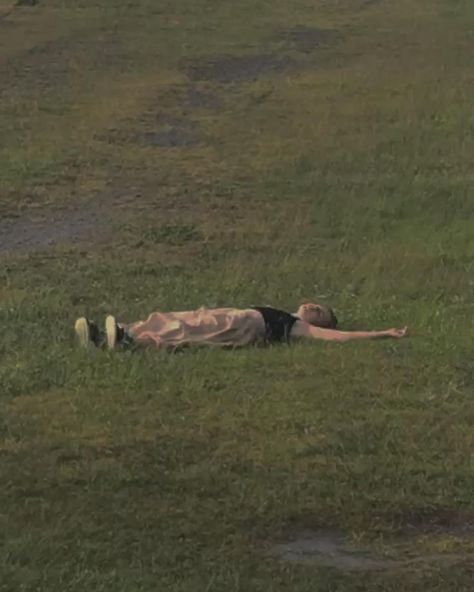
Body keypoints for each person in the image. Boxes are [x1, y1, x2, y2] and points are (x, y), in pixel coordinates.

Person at [74, 302, 408, 351]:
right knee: (180, 319)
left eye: (318, 311)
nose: (311, 306)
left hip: (240, 326)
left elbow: (341, 337)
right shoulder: (287, 315)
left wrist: (384, 333)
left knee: (191, 330)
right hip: (234, 315)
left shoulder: (295, 328)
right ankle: (115, 332)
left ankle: (130, 340)